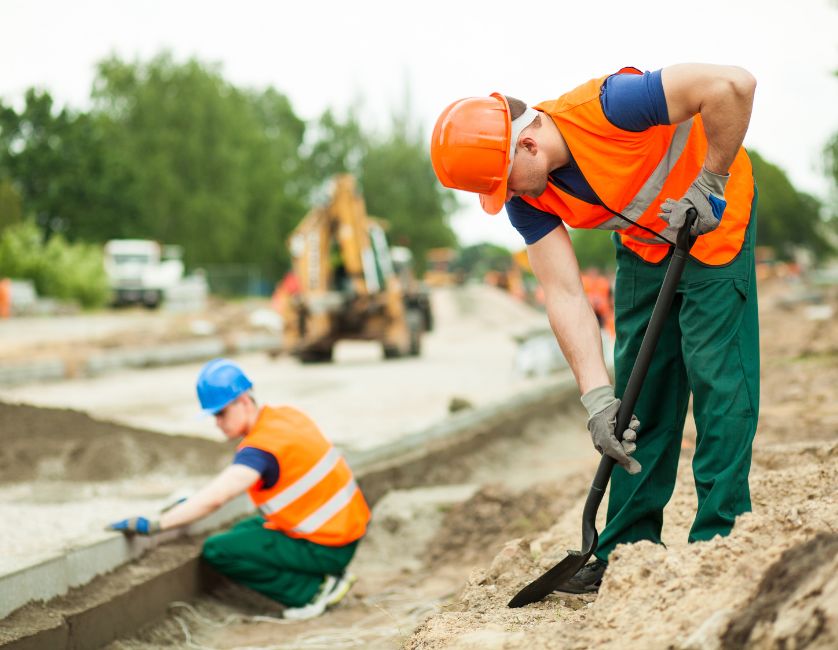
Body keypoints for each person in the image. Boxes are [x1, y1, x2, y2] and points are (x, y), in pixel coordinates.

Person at [430, 64, 758, 593]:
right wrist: (597, 401)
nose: (504, 196)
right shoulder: (527, 199)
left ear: (528, 145)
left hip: (717, 224)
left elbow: (734, 86)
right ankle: (627, 550)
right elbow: (563, 294)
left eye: (501, 182)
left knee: (718, 383)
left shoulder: (613, 106)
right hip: (646, 246)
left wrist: (710, 182)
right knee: (636, 400)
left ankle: (722, 542)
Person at [108, 358, 371, 619]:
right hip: (345, 532)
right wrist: (190, 502)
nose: (217, 423)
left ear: (244, 401)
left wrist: (157, 524)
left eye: (221, 413)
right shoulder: (285, 417)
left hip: (328, 547)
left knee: (219, 550)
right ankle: (323, 575)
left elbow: (217, 497)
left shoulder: (260, 450)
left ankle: (314, 591)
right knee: (243, 530)